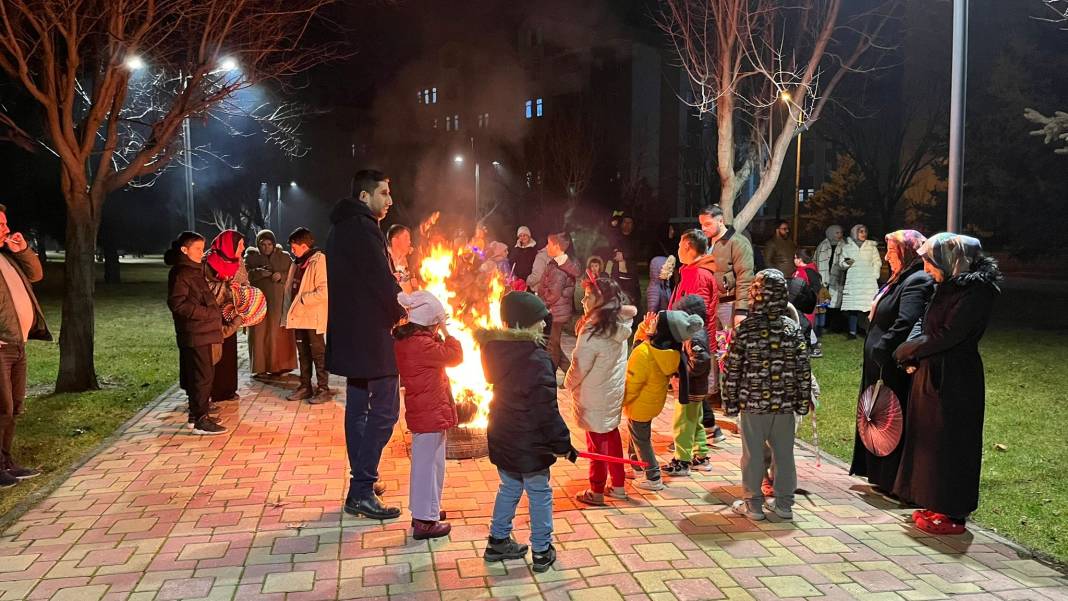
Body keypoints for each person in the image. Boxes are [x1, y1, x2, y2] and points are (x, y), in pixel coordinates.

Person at [893, 234, 1001, 536]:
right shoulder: (945, 286)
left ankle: (952, 510)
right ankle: (933, 500)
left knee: (952, 443)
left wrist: (908, 350)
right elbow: (924, 322)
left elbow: (950, 335)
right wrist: (911, 349)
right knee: (930, 443)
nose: (927, 270)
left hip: (955, 378)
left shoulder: (976, 292)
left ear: (950, 260)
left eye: (930, 262)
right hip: (931, 372)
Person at [477, 291, 575, 573]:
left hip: (503, 433)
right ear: (523, 325)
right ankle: (543, 550)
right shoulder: (535, 358)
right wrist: (562, 444)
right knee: (539, 491)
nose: (544, 325)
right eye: (538, 321)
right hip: (530, 441)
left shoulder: (496, 350)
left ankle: (498, 541)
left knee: (509, 486)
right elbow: (546, 411)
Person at [327, 169, 406, 520]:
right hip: (372, 335)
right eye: (384, 193)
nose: (390, 201)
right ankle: (360, 488)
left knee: (357, 408)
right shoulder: (364, 228)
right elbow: (379, 279)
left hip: (350, 332)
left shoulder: (341, 227)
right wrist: (403, 311)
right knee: (387, 411)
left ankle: (362, 480)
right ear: (365, 197)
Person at [849, 230, 934, 496]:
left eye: (892, 252)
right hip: (878, 361)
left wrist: (883, 348)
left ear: (907, 252)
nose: (886, 257)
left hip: (890, 363)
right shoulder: (899, 279)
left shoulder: (917, 280)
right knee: (874, 414)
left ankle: (891, 477)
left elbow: (905, 321)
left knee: (889, 416)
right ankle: (876, 471)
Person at [723, 269, 811, 521]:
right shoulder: (791, 329)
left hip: (753, 404)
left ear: (755, 295)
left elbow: (732, 367)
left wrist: (730, 401)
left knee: (752, 455)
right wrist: (802, 401)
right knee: (784, 455)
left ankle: (753, 505)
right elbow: (803, 368)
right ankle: (784, 505)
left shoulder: (746, 329)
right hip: (784, 405)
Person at [394, 291, 463, 540]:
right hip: (428, 412)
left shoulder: (409, 338)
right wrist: (447, 331)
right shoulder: (422, 344)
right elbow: (456, 355)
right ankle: (424, 521)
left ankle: (429, 511)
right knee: (427, 466)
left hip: (427, 410)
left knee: (433, 463)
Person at [565, 276, 636, 506]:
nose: (583, 300)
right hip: (611, 391)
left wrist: (568, 383)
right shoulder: (619, 322)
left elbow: (579, 365)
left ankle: (596, 491)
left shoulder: (594, 329)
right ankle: (618, 486)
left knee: (595, 443)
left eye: (588, 296)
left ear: (600, 299)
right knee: (611, 436)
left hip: (593, 394)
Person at [623, 310, 702, 491]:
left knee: (641, 440)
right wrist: (644, 327)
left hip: (638, 404)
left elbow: (632, 384)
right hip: (652, 403)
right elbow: (642, 342)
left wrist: (621, 402)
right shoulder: (671, 352)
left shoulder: (644, 353)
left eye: (656, 321)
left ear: (661, 330)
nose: (652, 322)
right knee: (636, 436)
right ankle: (636, 467)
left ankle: (653, 476)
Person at [0, 205, 50, 488]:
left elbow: (36, 274)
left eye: (6, 223)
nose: (6, 229)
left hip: (18, 344)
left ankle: (7, 461)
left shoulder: (8, 256)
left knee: (15, 406)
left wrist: (22, 249)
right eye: (1, 224)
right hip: (2, 346)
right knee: (2, 407)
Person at [164, 231, 227, 436]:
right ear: (185, 249)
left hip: (202, 331)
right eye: (198, 249)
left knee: (198, 376)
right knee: (202, 377)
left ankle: (196, 415)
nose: (202, 252)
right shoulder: (183, 272)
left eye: (203, 248)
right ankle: (201, 420)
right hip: (197, 332)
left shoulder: (193, 270)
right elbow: (177, 303)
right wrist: (208, 313)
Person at [669, 229, 725, 444]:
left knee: (690, 387)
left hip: (693, 340)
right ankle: (710, 428)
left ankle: (696, 436)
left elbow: (696, 313)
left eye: (680, 246)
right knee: (692, 387)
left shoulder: (699, 275)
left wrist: (683, 337)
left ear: (688, 247)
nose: (678, 250)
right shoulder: (692, 271)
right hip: (689, 338)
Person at [661, 294, 717, 476]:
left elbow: (701, 361)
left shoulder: (694, 335)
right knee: (695, 422)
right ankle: (700, 456)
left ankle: (682, 461)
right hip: (695, 389)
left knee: (682, 425)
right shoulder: (695, 332)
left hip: (690, 389)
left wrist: (681, 372)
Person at [282, 227, 331, 403]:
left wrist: (303, 300)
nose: (291, 250)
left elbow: (324, 291)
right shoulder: (296, 262)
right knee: (303, 354)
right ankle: (305, 387)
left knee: (318, 354)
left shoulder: (318, 261)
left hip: (312, 317)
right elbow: (290, 290)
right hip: (299, 317)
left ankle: (323, 388)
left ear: (304, 246)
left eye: (293, 247)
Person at [244, 230, 296, 380]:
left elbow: (294, 275)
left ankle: (281, 365)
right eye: (262, 244)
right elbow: (244, 276)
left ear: (274, 244)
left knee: (278, 334)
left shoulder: (284, 257)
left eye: (269, 244)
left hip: (278, 302)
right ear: (258, 245)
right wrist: (259, 273)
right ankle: (260, 367)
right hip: (258, 303)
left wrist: (281, 276)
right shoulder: (251, 258)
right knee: (259, 334)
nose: (266, 247)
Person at [203, 230, 246, 404]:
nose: (242, 247)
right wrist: (225, 285)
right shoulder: (207, 261)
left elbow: (244, 282)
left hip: (230, 313)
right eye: (240, 244)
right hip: (212, 315)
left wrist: (240, 290)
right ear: (230, 245)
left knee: (228, 353)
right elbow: (204, 289)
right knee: (212, 355)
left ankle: (227, 389)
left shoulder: (239, 262)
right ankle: (208, 392)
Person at [531, 233, 580, 378]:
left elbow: (554, 294)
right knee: (554, 343)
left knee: (552, 345)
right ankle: (572, 373)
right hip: (555, 310)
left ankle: (549, 375)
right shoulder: (556, 263)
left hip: (555, 312)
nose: (547, 247)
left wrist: (539, 303)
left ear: (557, 246)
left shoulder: (560, 269)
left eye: (549, 244)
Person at [836, 224, 883, 339]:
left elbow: (877, 262)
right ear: (855, 233)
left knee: (869, 306)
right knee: (853, 307)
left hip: (868, 281)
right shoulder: (847, 247)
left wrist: (875, 274)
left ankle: (868, 331)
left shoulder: (872, 247)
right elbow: (841, 263)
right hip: (854, 280)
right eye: (861, 232)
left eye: (865, 232)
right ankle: (852, 332)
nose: (863, 234)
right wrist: (847, 263)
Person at [814, 225, 845, 333]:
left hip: (837, 277)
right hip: (824, 277)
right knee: (824, 302)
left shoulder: (844, 246)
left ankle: (834, 326)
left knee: (836, 304)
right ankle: (823, 325)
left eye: (840, 233)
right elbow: (815, 261)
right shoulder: (822, 246)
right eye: (837, 233)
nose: (840, 235)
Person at [388, 224, 417, 293]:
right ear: (395, 241)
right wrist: (390, 279)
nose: (409, 242)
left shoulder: (407, 259)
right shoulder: (384, 259)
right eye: (406, 238)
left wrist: (414, 287)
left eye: (409, 239)